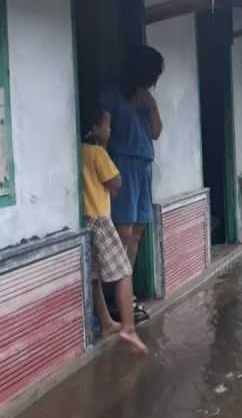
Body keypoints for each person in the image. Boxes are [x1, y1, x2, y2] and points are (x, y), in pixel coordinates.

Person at [100, 45, 164, 322]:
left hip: (143, 165)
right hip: (121, 165)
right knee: (122, 232)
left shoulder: (146, 99)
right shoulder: (112, 94)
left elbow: (156, 132)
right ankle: (115, 299)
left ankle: (128, 296)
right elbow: (103, 132)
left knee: (136, 231)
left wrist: (152, 106)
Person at [81, 106, 149, 354]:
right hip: (100, 219)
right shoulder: (98, 153)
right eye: (107, 125)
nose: (110, 130)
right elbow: (116, 182)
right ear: (96, 129)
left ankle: (107, 322)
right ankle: (128, 328)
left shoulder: (77, 151)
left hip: (83, 221)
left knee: (95, 276)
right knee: (123, 271)